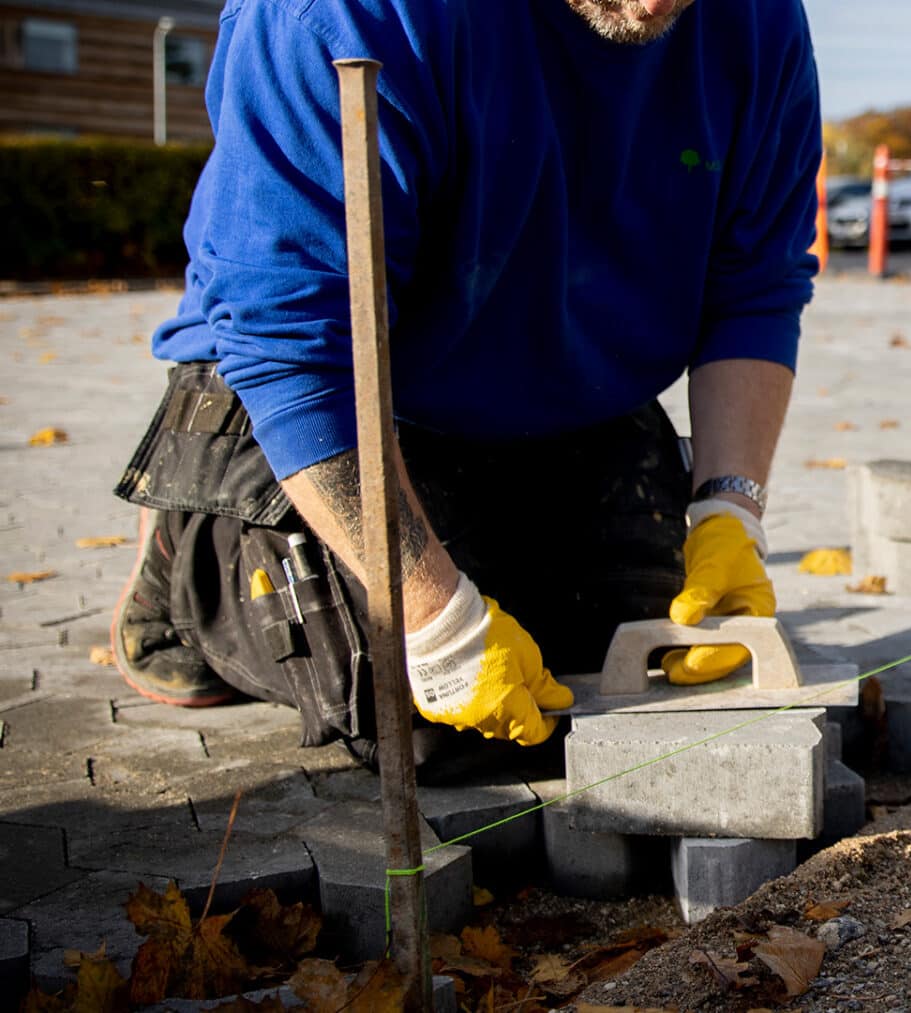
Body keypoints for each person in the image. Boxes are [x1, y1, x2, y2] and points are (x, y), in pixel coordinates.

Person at [108, 0, 821, 772]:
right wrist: (432, 617)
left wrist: (729, 509)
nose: (654, 5)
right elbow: (296, 350)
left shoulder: (759, 22)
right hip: (335, 403)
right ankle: (188, 558)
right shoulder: (345, 15)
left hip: (569, 399)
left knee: (617, 675)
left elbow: (754, 284)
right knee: (429, 715)